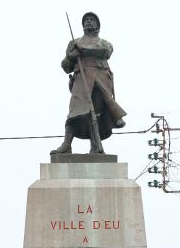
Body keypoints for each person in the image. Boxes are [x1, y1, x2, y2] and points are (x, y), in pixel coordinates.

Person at [50, 12, 127, 155]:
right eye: (86, 20)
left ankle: (95, 146)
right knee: (74, 112)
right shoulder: (74, 43)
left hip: (100, 80)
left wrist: (82, 50)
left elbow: (106, 52)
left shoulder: (103, 43)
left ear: (98, 25)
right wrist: (70, 56)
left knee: (95, 114)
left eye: (92, 20)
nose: (89, 22)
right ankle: (67, 144)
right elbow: (65, 67)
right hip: (81, 80)